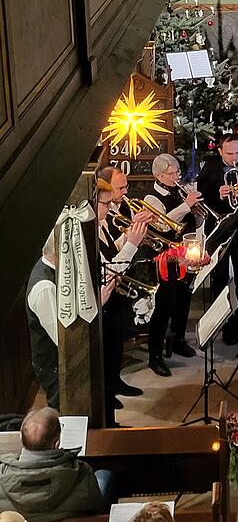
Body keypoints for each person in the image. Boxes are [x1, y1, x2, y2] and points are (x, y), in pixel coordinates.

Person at [26, 229, 116, 409]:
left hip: (66, 360)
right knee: (72, 412)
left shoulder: (57, 269)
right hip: (57, 367)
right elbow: (62, 339)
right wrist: (96, 304)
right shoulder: (44, 287)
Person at [197, 134, 238, 346]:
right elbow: (200, 199)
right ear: (219, 151)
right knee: (219, 278)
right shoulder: (209, 168)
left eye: (237, 152)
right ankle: (223, 325)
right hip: (218, 230)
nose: (235, 157)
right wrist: (218, 195)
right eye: (229, 153)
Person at [142, 154, 200, 376]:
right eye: (172, 173)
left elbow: (190, 220)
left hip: (185, 253)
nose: (177, 176)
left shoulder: (179, 190)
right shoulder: (151, 198)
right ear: (159, 175)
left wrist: (195, 211)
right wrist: (186, 205)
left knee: (183, 297)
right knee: (164, 305)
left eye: (178, 172)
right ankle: (154, 355)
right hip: (163, 258)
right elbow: (164, 225)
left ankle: (178, 338)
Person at [0, 408, 112, 522]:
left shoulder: (2, 475)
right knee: (104, 475)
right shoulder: (81, 472)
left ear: (20, 438)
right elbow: (97, 509)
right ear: (56, 442)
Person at [96, 178, 148, 425]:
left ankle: (115, 384)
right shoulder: (89, 230)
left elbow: (110, 253)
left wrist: (127, 238)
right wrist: (132, 246)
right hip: (103, 303)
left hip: (115, 300)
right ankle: (107, 408)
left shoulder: (102, 222)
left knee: (115, 349)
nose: (109, 208)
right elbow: (108, 269)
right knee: (105, 357)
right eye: (105, 204)